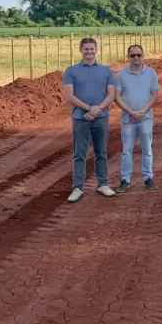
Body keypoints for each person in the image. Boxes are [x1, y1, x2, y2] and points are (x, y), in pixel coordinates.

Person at [62, 37, 116, 203]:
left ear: (96, 50)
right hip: (80, 118)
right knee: (80, 153)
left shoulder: (106, 70)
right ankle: (78, 187)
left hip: (101, 117)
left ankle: (103, 184)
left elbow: (111, 94)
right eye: (86, 49)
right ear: (80, 50)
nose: (89, 52)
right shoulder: (71, 71)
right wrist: (88, 108)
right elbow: (69, 95)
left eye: (92, 49)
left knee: (101, 152)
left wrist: (97, 109)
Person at [114, 44, 160, 192]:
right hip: (128, 118)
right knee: (127, 150)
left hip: (146, 118)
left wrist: (141, 112)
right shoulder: (121, 74)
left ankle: (148, 177)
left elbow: (155, 95)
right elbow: (117, 97)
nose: (136, 58)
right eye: (132, 55)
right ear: (128, 57)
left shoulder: (151, 73)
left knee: (147, 149)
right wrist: (131, 112)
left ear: (143, 56)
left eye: (138, 55)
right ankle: (125, 179)